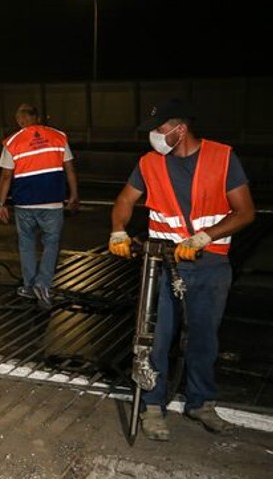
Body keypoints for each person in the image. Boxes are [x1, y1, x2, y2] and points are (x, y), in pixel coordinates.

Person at [109, 98, 256, 441]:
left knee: (204, 337)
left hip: (210, 266)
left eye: (159, 131)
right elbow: (125, 201)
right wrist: (118, 228)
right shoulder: (149, 163)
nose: (154, 138)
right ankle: (153, 406)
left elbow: (245, 212)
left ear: (180, 129)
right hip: (162, 264)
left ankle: (200, 403)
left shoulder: (222, 158)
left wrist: (204, 237)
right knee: (156, 339)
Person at [0, 103, 79, 310]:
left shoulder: (13, 142)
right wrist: (74, 195)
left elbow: (6, 176)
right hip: (53, 202)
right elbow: (69, 169)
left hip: (25, 203)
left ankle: (29, 286)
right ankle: (43, 284)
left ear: (19, 120)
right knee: (51, 244)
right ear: (38, 117)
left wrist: (1, 203)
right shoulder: (58, 137)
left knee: (26, 243)